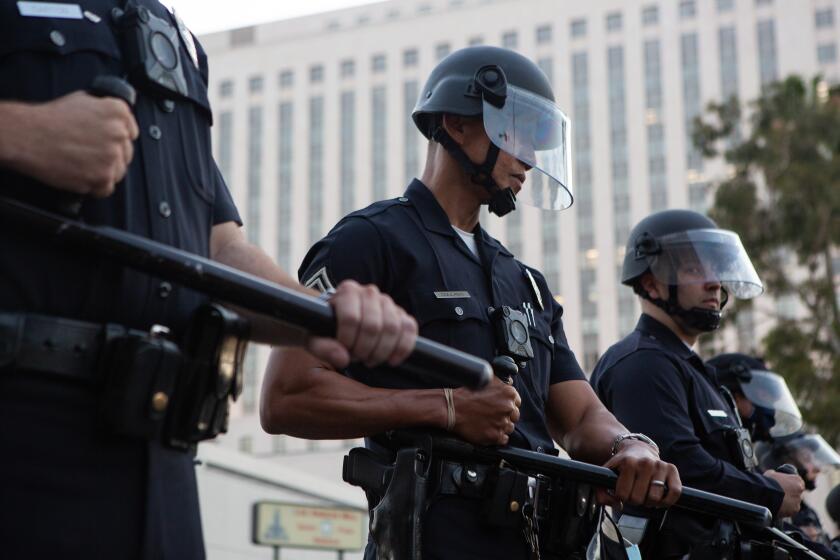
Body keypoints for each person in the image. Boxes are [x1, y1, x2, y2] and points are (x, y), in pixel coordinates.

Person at [0, 2, 416, 558]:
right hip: (22, 437)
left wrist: (318, 315)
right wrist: (23, 134)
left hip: (160, 454)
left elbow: (218, 248)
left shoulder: (173, 38)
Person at [260, 45, 681, 560]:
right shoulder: (369, 241)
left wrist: (629, 446)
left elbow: (578, 418)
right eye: (516, 131)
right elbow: (285, 396)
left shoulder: (526, 282)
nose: (527, 157)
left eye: (537, 141)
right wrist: (446, 407)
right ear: (456, 124)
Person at [589, 209, 805, 558]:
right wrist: (769, 491)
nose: (713, 282)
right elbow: (680, 467)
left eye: (716, 269)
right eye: (694, 269)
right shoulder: (643, 363)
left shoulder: (692, 370)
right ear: (650, 283)